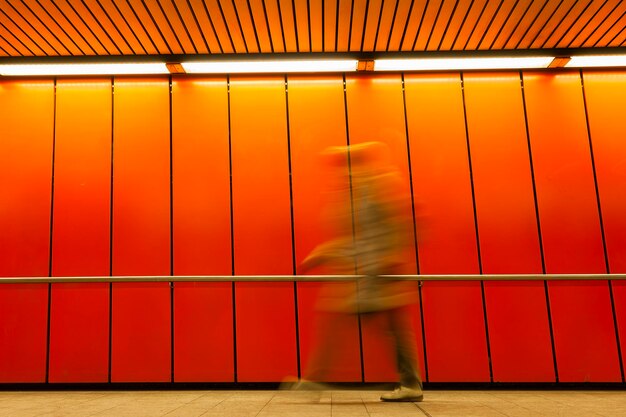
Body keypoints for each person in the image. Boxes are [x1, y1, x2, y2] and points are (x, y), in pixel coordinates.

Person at [298, 141, 423, 402]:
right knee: (375, 326)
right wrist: (325, 252)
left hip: (378, 273)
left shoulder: (378, 187)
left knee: (375, 326)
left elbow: (395, 226)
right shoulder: (356, 193)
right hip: (366, 273)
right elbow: (356, 236)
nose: (343, 172)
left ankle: (316, 379)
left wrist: (388, 257)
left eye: (346, 165)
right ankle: (316, 379)